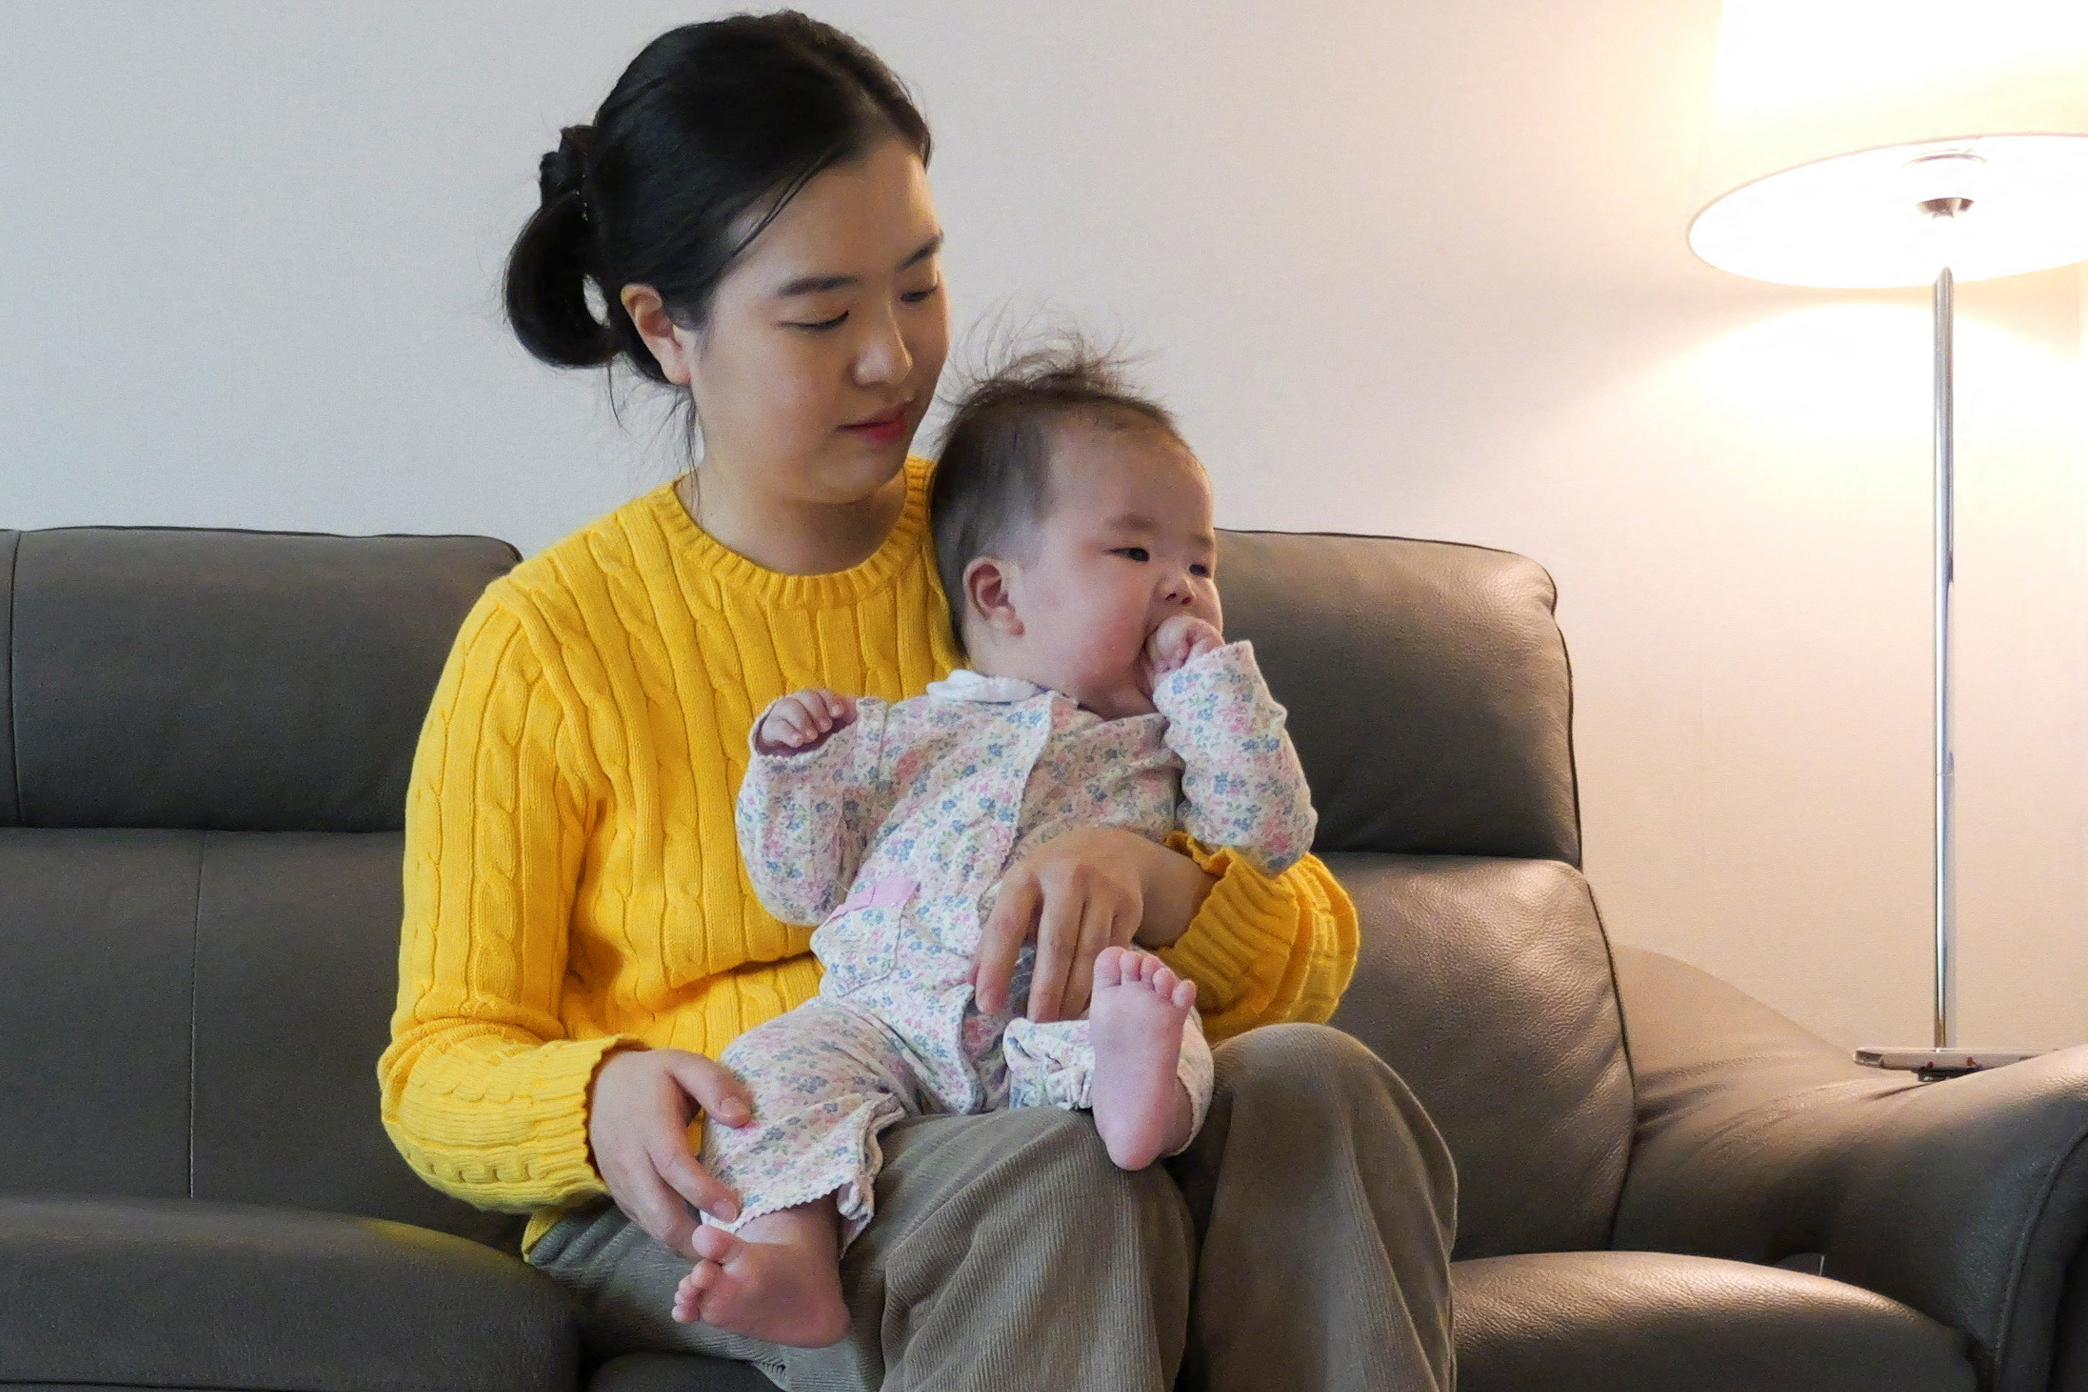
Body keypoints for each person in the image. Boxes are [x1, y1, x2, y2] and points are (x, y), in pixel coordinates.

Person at [377, 12, 1456, 1391]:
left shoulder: (1035, 551)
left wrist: (1156, 885)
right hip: (753, 1162)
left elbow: (1313, 930)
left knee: (1320, 1086)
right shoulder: (549, 641)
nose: (892, 358)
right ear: (665, 329)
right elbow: (436, 1063)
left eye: (919, 286)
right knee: (1048, 1180)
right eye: (822, 315)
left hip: (1026, 1085)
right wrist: (597, 1096)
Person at [684, 351, 1319, 1346]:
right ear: (1000, 595)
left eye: (1203, 566)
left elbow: (1266, 836)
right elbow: (800, 887)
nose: (1183, 589)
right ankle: (789, 1253)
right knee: (765, 1071)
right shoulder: (908, 733)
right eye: (1135, 553)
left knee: (1153, 1019)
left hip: (1050, 1015)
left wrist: (1212, 688)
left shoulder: (1168, 745)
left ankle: (1141, 1108)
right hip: (882, 1024)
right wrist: (796, 767)